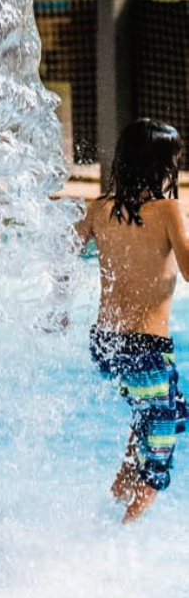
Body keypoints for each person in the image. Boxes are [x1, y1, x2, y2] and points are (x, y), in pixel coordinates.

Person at [76, 118, 189, 523]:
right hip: (145, 348)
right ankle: (119, 546)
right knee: (159, 459)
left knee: (170, 413)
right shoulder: (168, 210)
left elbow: (62, 253)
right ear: (162, 166)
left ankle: (115, 495)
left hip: (107, 345)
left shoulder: (100, 209)